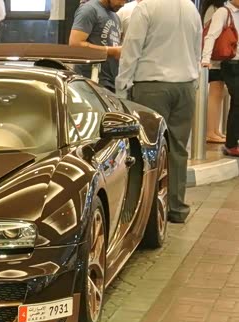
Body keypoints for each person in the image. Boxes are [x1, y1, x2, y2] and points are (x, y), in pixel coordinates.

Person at [116, 0, 202, 224]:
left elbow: (131, 48)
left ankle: (149, 211)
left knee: (148, 149)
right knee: (178, 149)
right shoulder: (191, 8)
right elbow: (197, 50)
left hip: (151, 86)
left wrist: (122, 86)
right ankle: (177, 208)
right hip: (185, 86)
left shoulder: (146, 7)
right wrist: (193, 82)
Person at [69, 0, 126, 92]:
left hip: (110, 81)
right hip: (90, 82)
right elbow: (75, 44)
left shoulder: (115, 17)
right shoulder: (89, 10)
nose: (123, 4)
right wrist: (111, 51)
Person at [202, 0, 229, 144]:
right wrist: (206, 57)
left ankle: (214, 130)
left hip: (217, 58)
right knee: (215, 93)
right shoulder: (215, 9)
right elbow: (210, 34)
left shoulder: (214, 8)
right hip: (214, 58)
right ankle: (210, 131)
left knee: (218, 93)